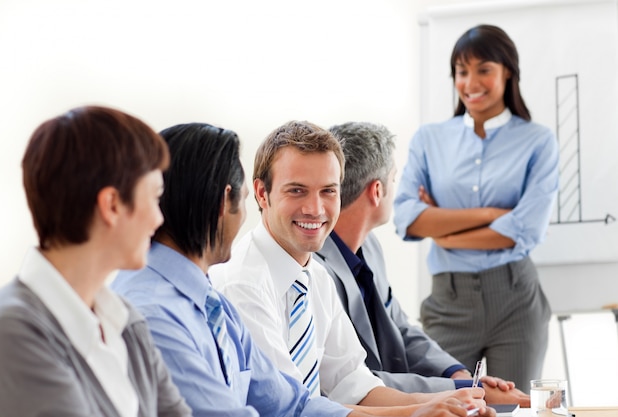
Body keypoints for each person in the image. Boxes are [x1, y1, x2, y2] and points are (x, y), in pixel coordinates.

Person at [211, 120, 492, 416]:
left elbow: (354, 383)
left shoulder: (314, 276)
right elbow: (290, 408)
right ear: (261, 193)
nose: (315, 209)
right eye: (297, 191)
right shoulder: (243, 283)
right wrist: (414, 413)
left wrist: (451, 404)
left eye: (328, 191)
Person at [0, 106, 191, 416]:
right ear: (111, 204)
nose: (159, 218)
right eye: (154, 197)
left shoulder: (125, 320)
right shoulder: (10, 333)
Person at [313, 121, 529, 406]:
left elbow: (400, 327)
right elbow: (353, 380)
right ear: (377, 191)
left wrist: (458, 374)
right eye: (394, 178)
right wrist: (464, 388)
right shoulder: (316, 269)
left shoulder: (369, 246)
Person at [393, 24, 559, 393]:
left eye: (484, 69)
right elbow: (406, 218)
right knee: (441, 406)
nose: (471, 82)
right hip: (448, 301)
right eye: (461, 71)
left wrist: (441, 228)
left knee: (513, 407)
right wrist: (490, 215)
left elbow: (526, 230)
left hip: (516, 298)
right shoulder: (429, 139)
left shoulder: (538, 141)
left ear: (508, 72)